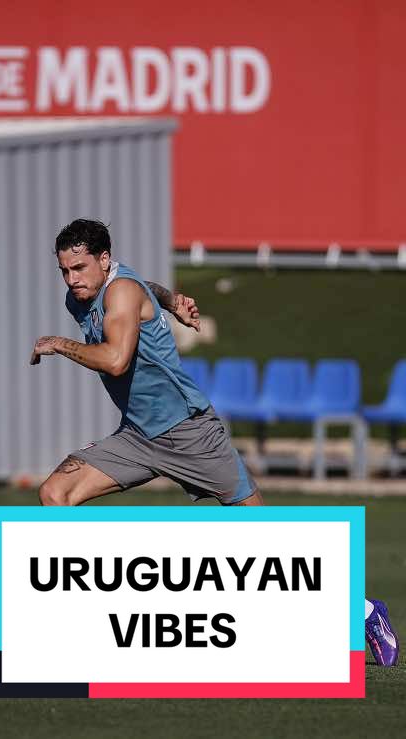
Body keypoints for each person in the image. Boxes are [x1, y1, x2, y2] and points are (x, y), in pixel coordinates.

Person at [30, 218, 399, 666]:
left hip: (190, 433)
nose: (72, 280)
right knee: (55, 493)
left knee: (266, 542)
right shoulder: (89, 292)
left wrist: (58, 344)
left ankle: (362, 612)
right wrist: (170, 301)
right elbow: (144, 285)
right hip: (138, 436)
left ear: (105, 261)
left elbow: (115, 358)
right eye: (65, 271)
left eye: (80, 268)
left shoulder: (118, 292)